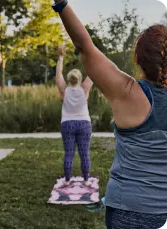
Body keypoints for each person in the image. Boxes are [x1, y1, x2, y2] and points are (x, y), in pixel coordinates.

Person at [52, 0, 167, 228]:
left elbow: (85, 47)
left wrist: (61, 3)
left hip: (130, 210)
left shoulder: (129, 93)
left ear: (138, 59)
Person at [55, 44, 93, 185]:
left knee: (69, 153)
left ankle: (66, 180)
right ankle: (86, 180)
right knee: (84, 154)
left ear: (69, 78)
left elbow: (58, 74)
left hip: (67, 124)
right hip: (84, 124)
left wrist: (60, 57)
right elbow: (93, 72)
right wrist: (88, 54)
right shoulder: (84, 89)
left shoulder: (64, 90)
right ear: (79, 78)